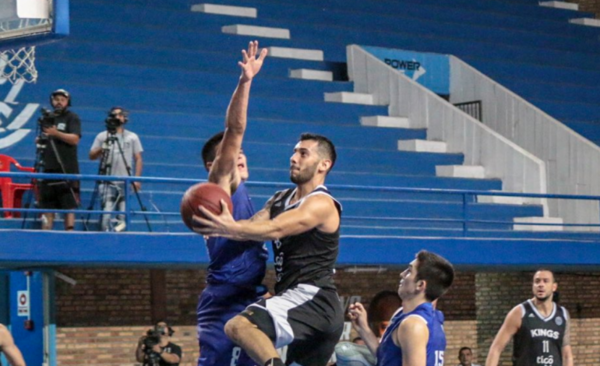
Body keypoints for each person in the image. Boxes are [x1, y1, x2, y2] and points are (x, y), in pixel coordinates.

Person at [195, 132, 343, 366]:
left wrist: (230, 228)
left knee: (239, 326)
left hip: (312, 297)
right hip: (301, 303)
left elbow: (275, 229)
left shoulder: (321, 203)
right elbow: (252, 227)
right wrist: (218, 228)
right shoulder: (280, 199)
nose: (294, 158)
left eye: (303, 153)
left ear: (324, 165)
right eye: (294, 152)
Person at [196, 41, 269, 366]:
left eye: (240, 152)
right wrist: (246, 82)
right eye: (228, 153)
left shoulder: (246, 198)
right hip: (225, 300)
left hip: (249, 295)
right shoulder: (221, 184)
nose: (238, 154)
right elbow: (235, 129)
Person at [347, 250, 454, 366]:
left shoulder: (413, 325)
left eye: (409, 271)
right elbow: (385, 357)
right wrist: (364, 329)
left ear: (420, 285)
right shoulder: (408, 315)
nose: (402, 274)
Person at [485, 269, 573, 366]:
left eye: (545, 281)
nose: (540, 284)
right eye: (537, 281)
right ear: (532, 286)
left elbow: (566, 354)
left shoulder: (563, 314)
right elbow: (496, 348)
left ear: (554, 287)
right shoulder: (519, 312)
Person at [89, 107, 143, 232]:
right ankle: (105, 237)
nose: (117, 117)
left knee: (123, 217)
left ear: (124, 118)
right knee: (106, 214)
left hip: (125, 181)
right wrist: (103, 146)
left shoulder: (132, 137)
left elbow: (138, 158)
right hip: (107, 181)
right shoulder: (102, 136)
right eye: (114, 115)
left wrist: (137, 179)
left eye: (120, 115)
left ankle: (120, 237)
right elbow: (91, 156)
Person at [37, 88, 81, 231]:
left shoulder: (72, 117)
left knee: (69, 206)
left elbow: (74, 139)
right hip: (49, 167)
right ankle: (46, 234)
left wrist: (56, 133)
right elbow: (43, 140)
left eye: (62, 100)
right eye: (56, 99)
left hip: (67, 168)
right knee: (47, 206)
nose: (59, 102)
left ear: (67, 102)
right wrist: (40, 140)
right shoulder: (47, 119)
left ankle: (69, 235)